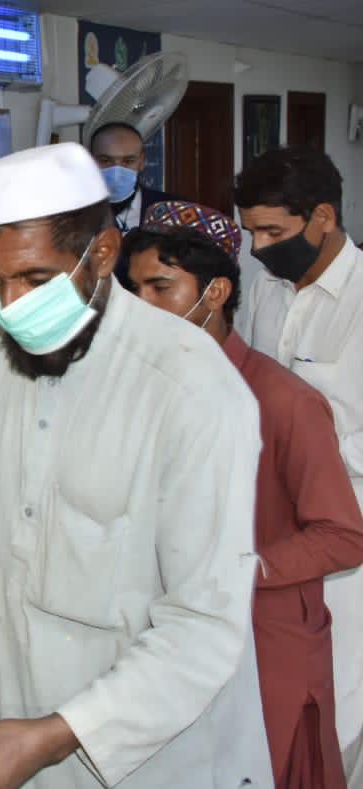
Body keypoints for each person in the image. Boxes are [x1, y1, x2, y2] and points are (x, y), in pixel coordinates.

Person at [0, 142, 272, 788]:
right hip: (21, 727)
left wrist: (58, 733)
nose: (11, 304)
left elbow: (203, 625)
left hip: (152, 750)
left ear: (102, 253)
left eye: (36, 279)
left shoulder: (189, 386)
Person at [126, 200, 363, 788]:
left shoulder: (282, 400)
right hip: (168, 630)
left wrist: (237, 569)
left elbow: (344, 536)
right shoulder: (141, 390)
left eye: (161, 288)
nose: (142, 308)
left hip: (264, 638)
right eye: (133, 291)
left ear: (215, 293)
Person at [235, 145, 363, 786]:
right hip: (273, 532)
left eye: (274, 232)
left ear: (324, 217)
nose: (259, 247)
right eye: (252, 230)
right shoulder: (264, 288)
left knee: (337, 719)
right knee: (274, 714)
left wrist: (305, 441)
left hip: (348, 543)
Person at [88, 121, 178, 232]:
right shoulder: (72, 213)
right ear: (90, 161)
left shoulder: (173, 210)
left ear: (142, 162)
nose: (117, 171)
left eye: (128, 161)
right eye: (105, 160)